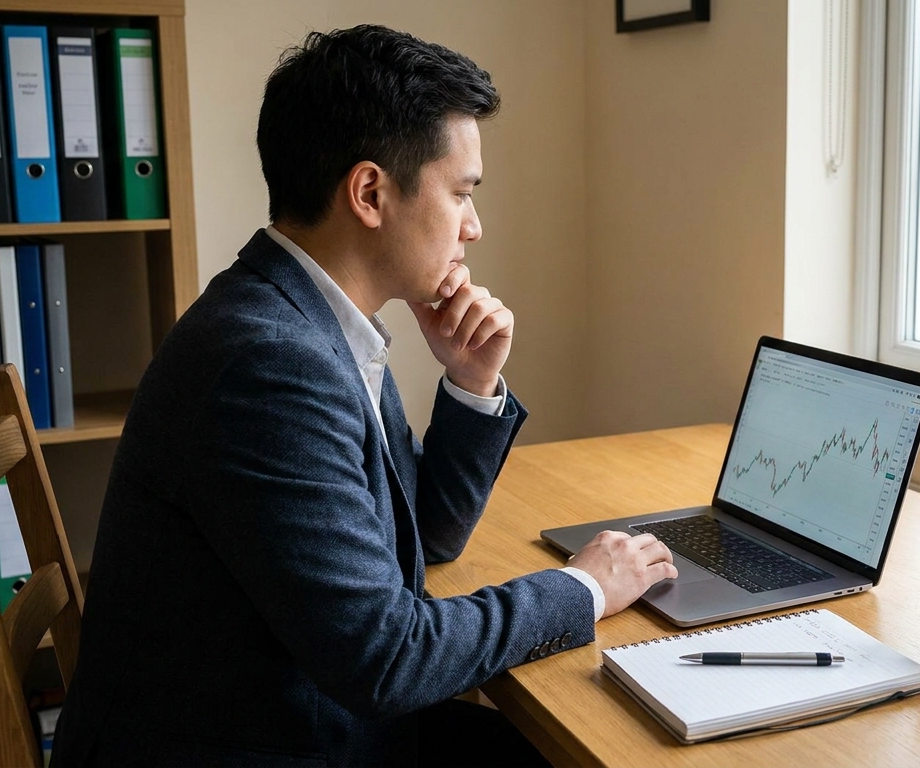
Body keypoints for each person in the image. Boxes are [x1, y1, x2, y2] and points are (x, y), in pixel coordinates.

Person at [50, 25, 677, 766]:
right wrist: (582, 589)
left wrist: (471, 381)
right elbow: (390, 660)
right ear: (371, 192)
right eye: (462, 193)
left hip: (302, 716)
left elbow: (423, 540)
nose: (473, 227)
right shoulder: (270, 364)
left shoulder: (306, 317)